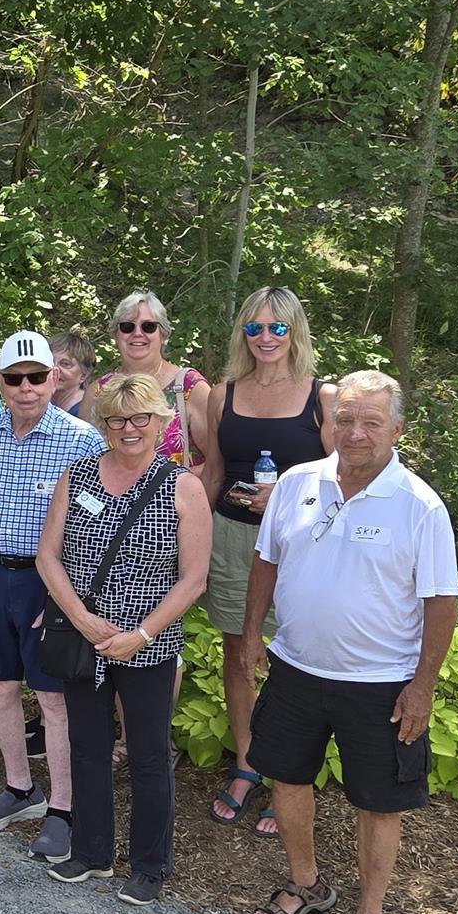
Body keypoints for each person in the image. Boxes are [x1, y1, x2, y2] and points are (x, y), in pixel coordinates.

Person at [240, 371, 458, 914]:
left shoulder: (420, 505)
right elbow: (266, 560)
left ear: (397, 430)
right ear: (328, 423)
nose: (355, 433)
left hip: (381, 684)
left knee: (377, 803)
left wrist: (421, 686)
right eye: (345, 420)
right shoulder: (296, 483)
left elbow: (441, 603)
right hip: (296, 669)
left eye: (370, 422)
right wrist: (253, 632)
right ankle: (306, 885)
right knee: (285, 779)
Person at [35, 373, 210, 904]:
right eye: (116, 418)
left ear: (161, 422)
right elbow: (48, 556)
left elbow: (193, 579)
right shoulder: (78, 474)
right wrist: (85, 621)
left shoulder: (183, 486)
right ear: (103, 424)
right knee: (87, 746)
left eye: (141, 418)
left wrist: (141, 633)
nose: (129, 428)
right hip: (83, 636)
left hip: (147, 644)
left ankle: (150, 865)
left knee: (148, 755)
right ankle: (91, 853)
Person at [0, 332, 105, 863]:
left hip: (48, 581)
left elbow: (95, 528)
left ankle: (62, 808)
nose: (27, 387)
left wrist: (66, 594)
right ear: (1, 383)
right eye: (15, 379)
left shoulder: (83, 440)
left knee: (54, 698)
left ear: (55, 378)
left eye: (37, 376)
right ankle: (20, 790)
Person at [199, 287, 337, 834]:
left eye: (277, 328)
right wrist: (196, 540)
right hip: (233, 539)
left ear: (295, 332)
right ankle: (248, 765)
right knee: (240, 652)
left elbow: (341, 476)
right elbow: (212, 472)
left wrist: (284, 491)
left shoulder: (322, 396)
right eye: (254, 328)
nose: (265, 338)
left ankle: (291, 778)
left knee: (297, 663)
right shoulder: (222, 393)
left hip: (304, 544)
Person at [95, 289, 211, 469]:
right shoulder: (98, 391)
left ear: (163, 334)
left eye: (148, 326)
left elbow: (215, 465)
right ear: (115, 334)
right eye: (127, 326)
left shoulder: (190, 387)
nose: (137, 333)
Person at [47, 330, 94, 419]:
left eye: (65, 364)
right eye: (51, 361)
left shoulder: (88, 412)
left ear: (83, 375)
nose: (54, 369)